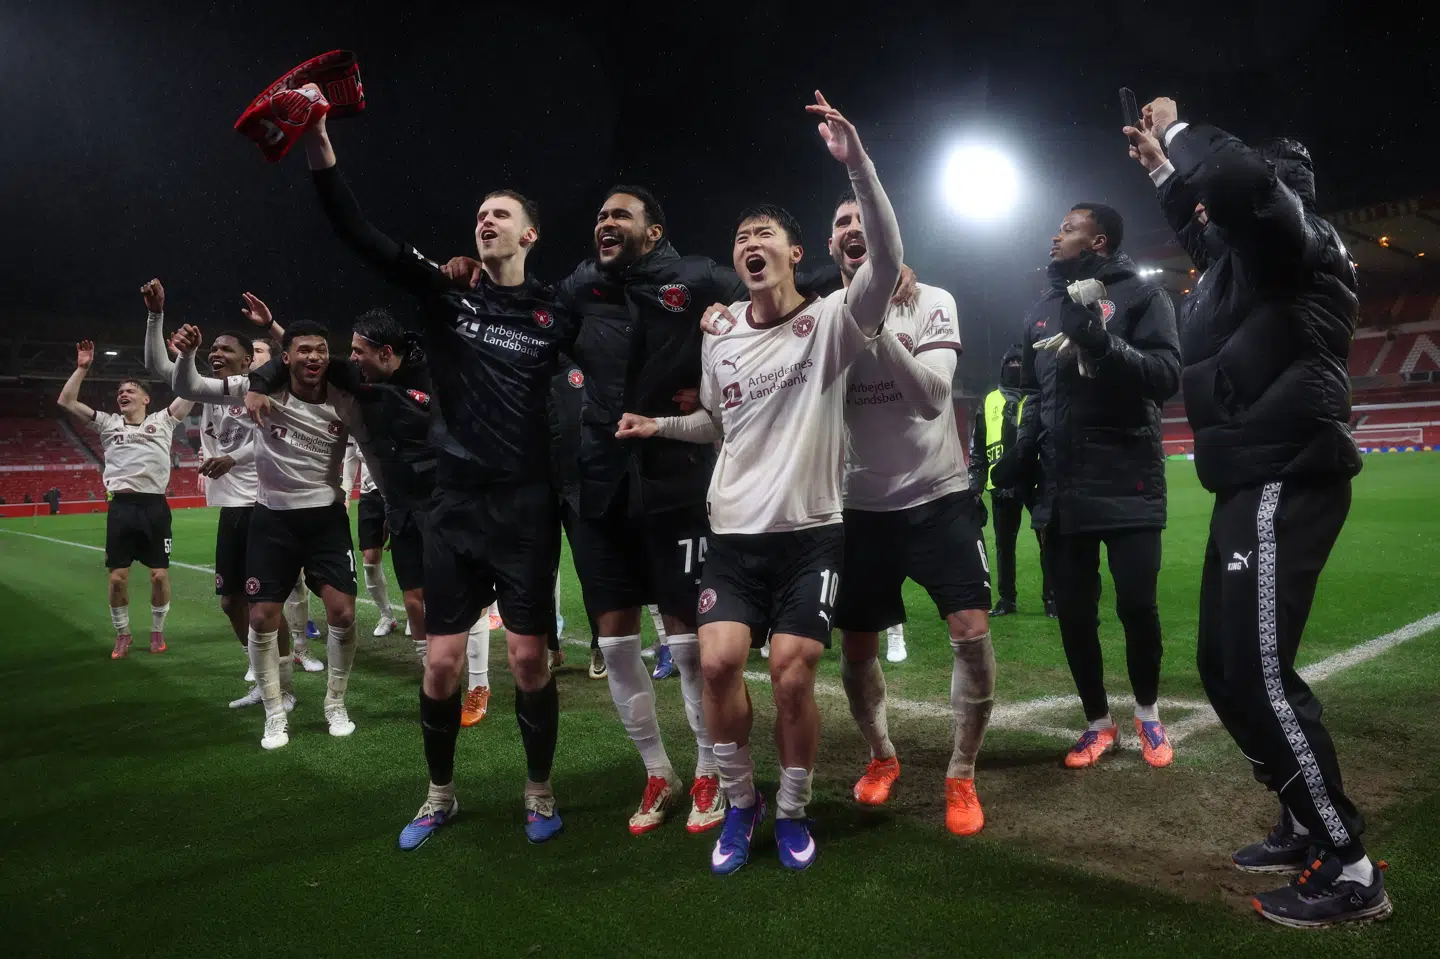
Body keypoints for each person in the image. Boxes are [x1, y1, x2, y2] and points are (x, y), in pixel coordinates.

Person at [619, 91, 901, 873]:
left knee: (790, 675)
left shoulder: (837, 320)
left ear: (789, 250)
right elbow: (718, 423)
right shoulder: (719, 335)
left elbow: (883, 249)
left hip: (811, 534)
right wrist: (661, 427)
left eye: (763, 233)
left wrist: (858, 166)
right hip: (734, 534)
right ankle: (742, 805)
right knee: (714, 666)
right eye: (741, 235)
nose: (748, 242)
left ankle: (793, 806)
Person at [1127, 97, 1388, 927]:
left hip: (1288, 470)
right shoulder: (1254, 258)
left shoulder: (1294, 236)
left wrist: (1177, 130)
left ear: (1273, 190)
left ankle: (1350, 868)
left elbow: (1236, 188)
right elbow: (1213, 229)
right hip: (1253, 475)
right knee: (1223, 664)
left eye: (1220, 199)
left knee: (1260, 673)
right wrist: (1167, 174)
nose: (1210, 213)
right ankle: (1302, 817)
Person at [294, 90, 573, 847]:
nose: (485, 220)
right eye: (479, 214)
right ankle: (439, 793)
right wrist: (320, 142)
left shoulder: (558, 309)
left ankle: (540, 789)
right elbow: (362, 237)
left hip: (524, 509)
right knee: (443, 663)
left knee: (525, 657)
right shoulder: (448, 297)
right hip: (453, 508)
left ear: (531, 233)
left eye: (501, 214)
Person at [803, 187, 995, 836]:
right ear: (831, 246)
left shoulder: (932, 299)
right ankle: (882, 755)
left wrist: (878, 333)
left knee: (970, 630)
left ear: (887, 236)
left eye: (862, 218)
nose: (852, 226)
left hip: (938, 497)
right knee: (856, 647)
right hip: (857, 509)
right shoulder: (823, 313)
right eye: (841, 221)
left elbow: (931, 398)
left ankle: (960, 772)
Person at [996, 201, 1180, 770]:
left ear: (1098, 242)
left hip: (1129, 479)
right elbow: (1033, 396)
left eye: (1069, 228)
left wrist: (1103, 344)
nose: (1055, 235)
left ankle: (1148, 714)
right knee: (1075, 612)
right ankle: (1098, 723)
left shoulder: (1143, 296)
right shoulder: (1040, 311)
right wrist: (1021, 455)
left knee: (1137, 608)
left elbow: (1167, 377)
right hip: (1062, 489)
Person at [169, 320, 374, 751]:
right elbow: (188, 384)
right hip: (272, 519)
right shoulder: (257, 387)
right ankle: (274, 712)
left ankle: (336, 703)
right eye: (303, 350)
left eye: (321, 349)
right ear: (287, 358)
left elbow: (375, 447)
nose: (313, 357)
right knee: (261, 617)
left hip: (326, 520)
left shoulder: (346, 400)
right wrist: (187, 353)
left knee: (342, 613)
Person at [142, 278, 302, 706]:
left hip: (261, 504)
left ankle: (283, 688)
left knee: (264, 603)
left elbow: (273, 437)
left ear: (249, 360)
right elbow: (162, 369)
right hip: (231, 508)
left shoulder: (261, 388)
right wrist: (157, 314)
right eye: (212, 349)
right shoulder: (208, 391)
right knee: (231, 602)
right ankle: (262, 680)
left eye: (225, 349)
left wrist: (234, 459)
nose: (216, 353)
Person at [57, 337, 193, 658]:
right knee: (117, 579)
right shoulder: (107, 423)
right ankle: (123, 634)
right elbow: (66, 401)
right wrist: (81, 369)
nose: (124, 393)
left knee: (159, 575)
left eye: (131, 389)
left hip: (154, 507)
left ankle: (157, 632)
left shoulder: (164, 420)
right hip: (121, 507)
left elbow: (191, 391)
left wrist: (183, 360)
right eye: (120, 391)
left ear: (146, 398)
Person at [969, 347, 1054, 618]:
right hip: (1001, 485)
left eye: (1020, 362)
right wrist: (975, 487)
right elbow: (978, 449)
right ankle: (1007, 600)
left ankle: (1052, 599)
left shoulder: (1038, 396)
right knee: (1004, 547)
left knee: (1048, 543)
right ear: (1003, 366)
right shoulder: (990, 400)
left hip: (1036, 481)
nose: (1015, 366)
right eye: (1011, 362)